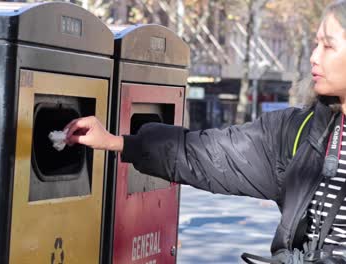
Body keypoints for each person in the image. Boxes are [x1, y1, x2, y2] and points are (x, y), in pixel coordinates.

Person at [64, 1, 346, 263]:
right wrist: (120, 142)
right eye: (315, 44)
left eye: (328, 46)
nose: (313, 56)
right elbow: (210, 154)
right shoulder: (297, 133)